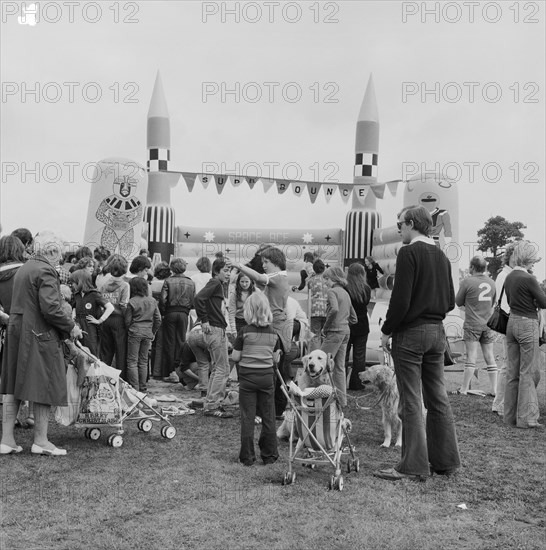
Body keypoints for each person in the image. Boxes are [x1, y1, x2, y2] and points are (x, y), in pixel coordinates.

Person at [375, 205, 460, 482]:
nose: (399, 228)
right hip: (438, 333)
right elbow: (450, 301)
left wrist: (387, 330)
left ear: (411, 223)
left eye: (400, 224)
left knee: (410, 400)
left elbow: (400, 301)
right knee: (438, 398)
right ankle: (445, 462)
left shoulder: (409, 253)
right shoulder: (442, 256)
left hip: (411, 334)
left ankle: (412, 465)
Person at [1, 230, 82, 456]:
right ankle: (41, 441)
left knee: (12, 386)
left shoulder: (26, 267)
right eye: (60, 253)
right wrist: (71, 326)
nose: (61, 258)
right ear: (53, 250)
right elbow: (51, 308)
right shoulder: (45, 270)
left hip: (18, 330)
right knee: (44, 383)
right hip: (37, 333)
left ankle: (7, 440)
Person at [232, 292, 280, 466]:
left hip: (247, 378)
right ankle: (269, 454)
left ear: (248, 311)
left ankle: (247, 456)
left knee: (247, 416)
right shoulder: (274, 333)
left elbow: (236, 357)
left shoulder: (244, 332)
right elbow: (275, 359)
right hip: (266, 377)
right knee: (268, 416)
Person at [504, 240, 546, 429]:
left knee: (513, 373)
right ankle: (526, 418)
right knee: (528, 372)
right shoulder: (529, 278)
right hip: (527, 323)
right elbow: (543, 302)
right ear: (529, 260)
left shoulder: (509, 276)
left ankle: (509, 416)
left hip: (512, 322)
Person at [194, 258, 234, 418]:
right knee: (222, 368)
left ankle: (210, 402)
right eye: (225, 270)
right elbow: (198, 299)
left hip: (217, 328)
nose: (228, 273)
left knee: (218, 367)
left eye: (229, 271)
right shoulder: (215, 283)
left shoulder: (218, 285)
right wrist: (204, 320)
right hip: (215, 329)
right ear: (216, 271)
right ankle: (212, 405)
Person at [454, 256, 498, 396]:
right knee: (489, 356)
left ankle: (464, 388)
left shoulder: (467, 282)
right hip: (488, 324)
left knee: (471, 356)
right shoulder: (492, 282)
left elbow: (458, 302)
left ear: (472, 267)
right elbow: (493, 303)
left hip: (472, 323)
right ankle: (495, 390)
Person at [320, 267, 357, 407]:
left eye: (327, 279)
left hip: (334, 331)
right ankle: (342, 401)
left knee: (319, 363)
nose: (325, 282)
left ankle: (315, 395)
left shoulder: (332, 292)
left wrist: (326, 327)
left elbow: (334, 309)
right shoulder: (345, 293)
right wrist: (345, 322)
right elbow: (354, 317)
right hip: (345, 331)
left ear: (334, 279)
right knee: (340, 367)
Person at [160, 258, 195, 383]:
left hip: (170, 313)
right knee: (181, 342)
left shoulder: (168, 281)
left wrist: (163, 312)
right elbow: (193, 301)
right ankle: (180, 370)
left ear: (172, 268)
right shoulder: (190, 282)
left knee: (169, 343)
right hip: (184, 313)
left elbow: (163, 300)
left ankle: (169, 372)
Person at [124, 277, 162, 393]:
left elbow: (127, 321)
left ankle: (135, 389)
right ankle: (143, 388)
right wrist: (153, 332)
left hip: (135, 332)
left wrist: (130, 329)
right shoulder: (152, 300)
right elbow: (158, 319)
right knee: (144, 361)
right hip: (147, 332)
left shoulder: (132, 302)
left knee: (132, 361)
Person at [491, 244, 516, 416]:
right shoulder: (505, 275)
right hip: (509, 322)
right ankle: (499, 403)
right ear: (510, 256)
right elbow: (505, 304)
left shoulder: (508, 274)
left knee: (508, 364)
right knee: (507, 365)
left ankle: (500, 402)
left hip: (510, 322)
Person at [69, 269, 114, 356]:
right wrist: (73, 318)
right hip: (78, 326)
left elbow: (110, 307)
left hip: (90, 328)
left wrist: (99, 320)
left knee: (91, 352)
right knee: (78, 351)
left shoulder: (94, 294)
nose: (72, 285)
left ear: (80, 282)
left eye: (74, 282)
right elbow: (74, 307)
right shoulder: (76, 295)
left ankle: (93, 369)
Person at [99, 255, 130, 377]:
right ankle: (121, 379)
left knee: (105, 352)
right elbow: (124, 305)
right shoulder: (125, 285)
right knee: (121, 352)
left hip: (105, 319)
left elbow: (101, 303)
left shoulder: (104, 284)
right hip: (119, 320)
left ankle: (103, 377)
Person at [345, 262, 371, 391]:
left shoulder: (345, 288)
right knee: (359, 357)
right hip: (362, 324)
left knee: (343, 356)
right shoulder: (366, 289)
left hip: (348, 324)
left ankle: (341, 383)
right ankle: (357, 384)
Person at [306, 258, 329, 350]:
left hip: (314, 310)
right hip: (327, 309)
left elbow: (307, 289)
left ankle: (315, 354)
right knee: (326, 335)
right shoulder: (327, 280)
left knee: (315, 335)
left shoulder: (311, 280)